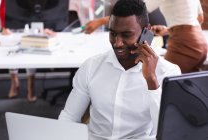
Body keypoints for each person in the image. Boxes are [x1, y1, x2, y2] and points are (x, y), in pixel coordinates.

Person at [58, 0, 181, 139]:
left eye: (126, 35)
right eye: (113, 34)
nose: (117, 43)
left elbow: (168, 133)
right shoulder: (92, 66)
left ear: (146, 31)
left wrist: (151, 80)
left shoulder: (168, 72)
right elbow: (69, 117)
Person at [83, 0, 208, 73]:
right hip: (199, 42)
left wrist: (99, 21)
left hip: (184, 45)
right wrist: (169, 30)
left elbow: (136, 13)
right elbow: (199, 18)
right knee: (185, 90)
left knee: (162, 81)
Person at [0, 0, 56, 102]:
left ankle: (31, 84)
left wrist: (47, 26)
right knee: (11, 50)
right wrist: (2, 27)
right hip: (11, 24)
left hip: (33, 21)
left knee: (31, 48)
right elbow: (3, 7)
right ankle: (14, 82)